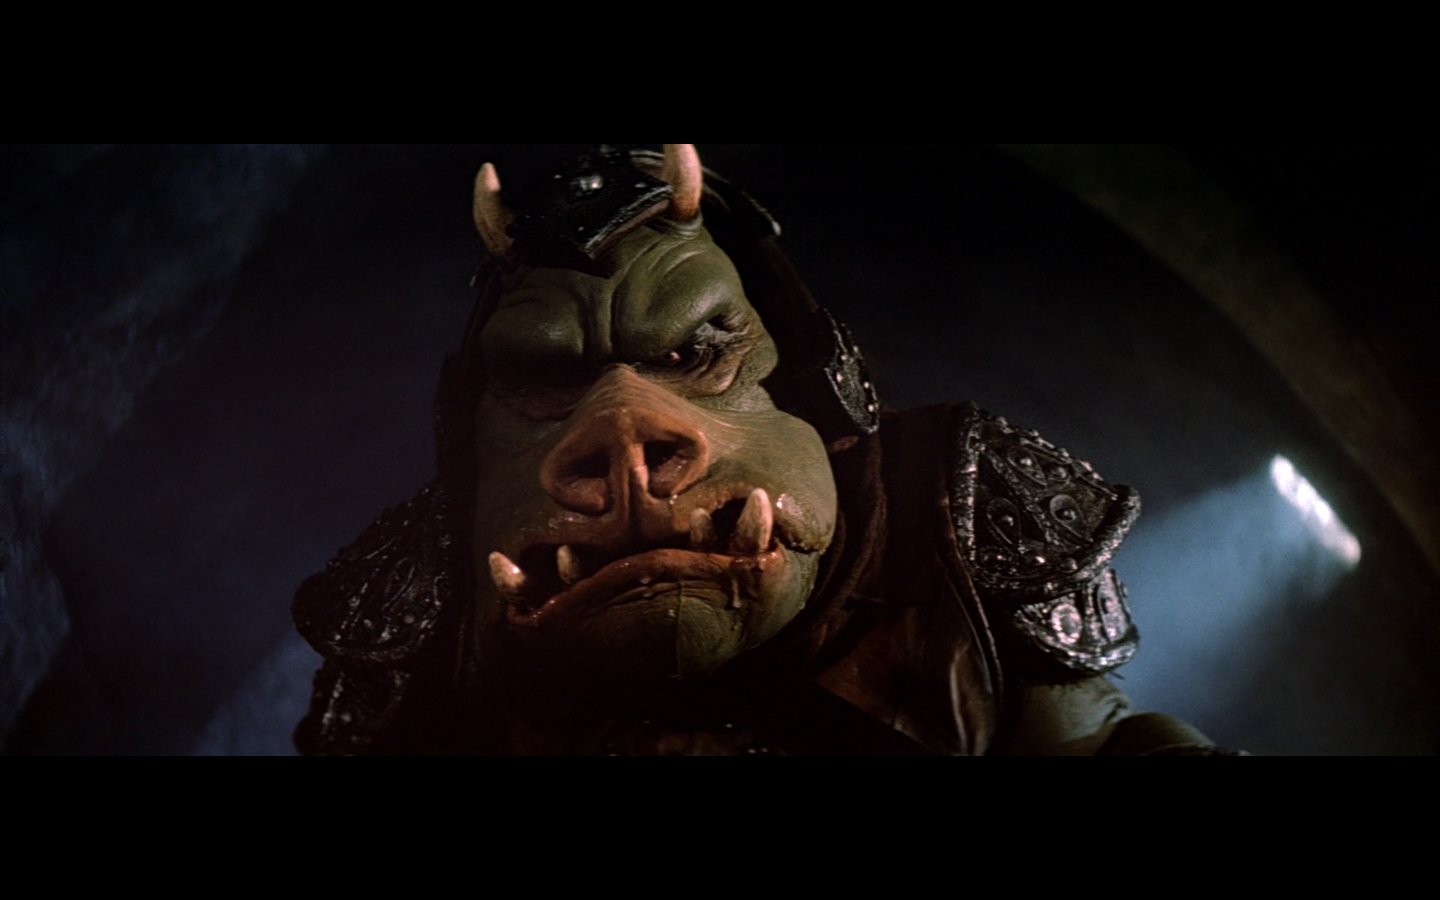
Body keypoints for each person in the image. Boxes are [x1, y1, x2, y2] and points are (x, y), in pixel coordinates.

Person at [293, 145, 1230, 755]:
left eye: (694, 354)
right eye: (547, 379)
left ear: (817, 381)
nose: (626, 437)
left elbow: (1100, 744)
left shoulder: (950, 499)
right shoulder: (421, 600)